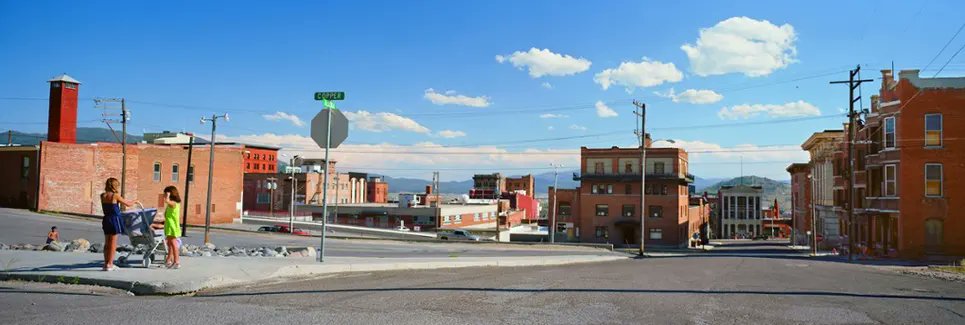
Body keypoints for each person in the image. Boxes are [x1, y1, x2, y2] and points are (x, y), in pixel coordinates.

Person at [101, 177, 138, 271]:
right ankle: (110, 264)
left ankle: (106, 263)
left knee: (107, 243)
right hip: (114, 219)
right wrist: (135, 201)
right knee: (113, 243)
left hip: (106, 219)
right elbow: (128, 204)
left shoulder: (103, 195)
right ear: (115, 186)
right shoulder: (115, 195)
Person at [162, 185, 182, 269]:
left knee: (173, 243)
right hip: (169, 225)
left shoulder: (173, 203)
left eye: (165, 193)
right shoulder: (173, 204)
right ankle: (168, 260)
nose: (164, 195)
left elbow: (166, 201)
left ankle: (176, 261)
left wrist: (167, 195)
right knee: (169, 243)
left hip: (172, 226)